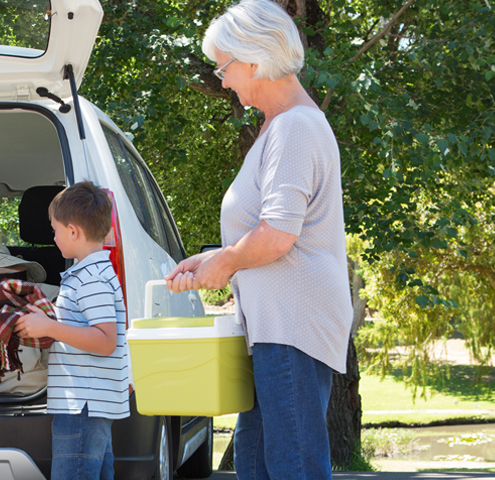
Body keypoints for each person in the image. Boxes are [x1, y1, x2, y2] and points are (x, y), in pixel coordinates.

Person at [165, 1, 353, 478]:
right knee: (256, 463)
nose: (223, 79)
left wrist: (223, 265)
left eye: (224, 66)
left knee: (292, 467)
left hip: (293, 323)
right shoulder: (283, 125)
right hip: (278, 325)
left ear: (254, 59)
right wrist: (211, 258)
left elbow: (276, 237)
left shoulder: (294, 127)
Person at [14, 181, 131, 480]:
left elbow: (106, 340)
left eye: (54, 230)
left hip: (82, 405)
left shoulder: (90, 278)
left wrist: (50, 326)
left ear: (73, 231)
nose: (52, 237)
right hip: (92, 403)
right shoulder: (94, 272)